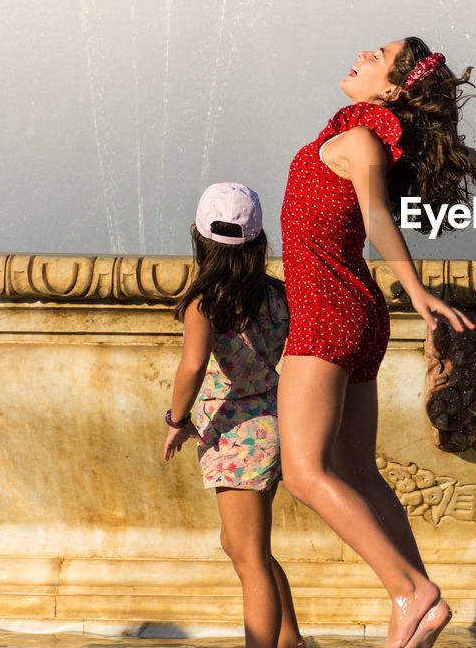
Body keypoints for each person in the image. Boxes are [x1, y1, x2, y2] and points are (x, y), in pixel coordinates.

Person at [277, 37, 476, 648]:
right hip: (354, 312)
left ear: (391, 89)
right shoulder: (373, 142)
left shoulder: (358, 142)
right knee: (358, 470)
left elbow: (380, 217)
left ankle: (410, 591)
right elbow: (422, 153)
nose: (359, 51)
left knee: (305, 473)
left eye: (376, 53)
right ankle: (415, 605)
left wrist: (414, 288)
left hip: (327, 311)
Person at [162, 182, 303, 648]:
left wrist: (175, 421)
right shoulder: (279, 296)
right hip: (272, 421)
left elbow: (192, 366)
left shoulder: (206, 304)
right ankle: (290, 641)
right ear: (259, 242)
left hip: (236, 436)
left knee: (250, 559)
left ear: (199, 240)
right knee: (243, 547)